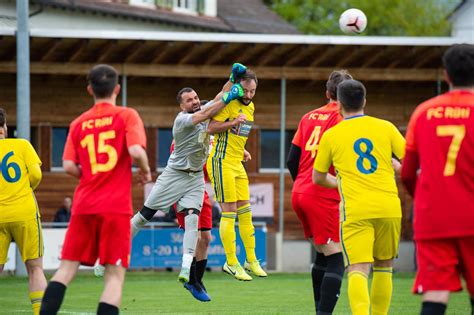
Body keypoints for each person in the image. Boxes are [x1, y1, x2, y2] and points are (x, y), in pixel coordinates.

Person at [40, 64, 151, 315]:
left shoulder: (78, 122)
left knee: (66, 270)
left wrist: (90, 175)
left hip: (84, 205)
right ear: (117, 89)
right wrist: (145, 170)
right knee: (113, 276)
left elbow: (68, 165)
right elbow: (135, 151)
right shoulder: (127, 115)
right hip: (116, 207)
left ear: (90, 89)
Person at [127, 68, 245, 286]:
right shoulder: (182, 120)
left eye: (196, 97)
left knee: (194, 221)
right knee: (144, 216)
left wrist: (231, 80)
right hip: (174, 175)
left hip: (195, 177)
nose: (194, 101)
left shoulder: (204, 110)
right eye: (189, 100)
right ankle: (114, 253)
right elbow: (207, 113)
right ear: (182, 106)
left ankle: (185, 269)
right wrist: (230, 98)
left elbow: (219, 97)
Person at [313, 79, 405, 315]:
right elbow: (410, 164)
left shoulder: (332, 135)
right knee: (384, 267)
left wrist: (341, 183)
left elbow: (318, 177)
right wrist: (395, 166)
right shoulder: (386, 127)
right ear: (364, 101)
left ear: (339, 104)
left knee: (358, 269)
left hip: (356, 209)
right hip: (389, 207)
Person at [401, 44, 474, 315]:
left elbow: (407, 172)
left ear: (446, 75)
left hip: (433, 217)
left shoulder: (423, 112)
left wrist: (426, 199)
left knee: (435, 293)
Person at [287, 70, 352, 314]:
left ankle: (319, 310)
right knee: (337, 258)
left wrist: (303, 186)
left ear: (327, 93)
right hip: (322, 193)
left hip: (300, 191)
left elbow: (292, 161)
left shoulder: (307, 117)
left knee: (323, 255)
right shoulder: (345, 118)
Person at [206, 67, 266, 281]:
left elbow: (237, 135)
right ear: (238, 87)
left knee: (246, 211)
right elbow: (210, 127)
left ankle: (251, 260)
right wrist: (233, 122)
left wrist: (242, 150)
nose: (249, 95)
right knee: (229, 211)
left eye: (253, 91)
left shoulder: (251, 107)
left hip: (236, 162)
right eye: (246, 90)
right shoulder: (228, 102)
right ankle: (231, 262)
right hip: (220, 162)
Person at [0, 108, 46, 315]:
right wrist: (24, 189)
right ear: (4, 128)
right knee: (35, 267)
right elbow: (36, 174)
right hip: (24, 212)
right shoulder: (22, 144)